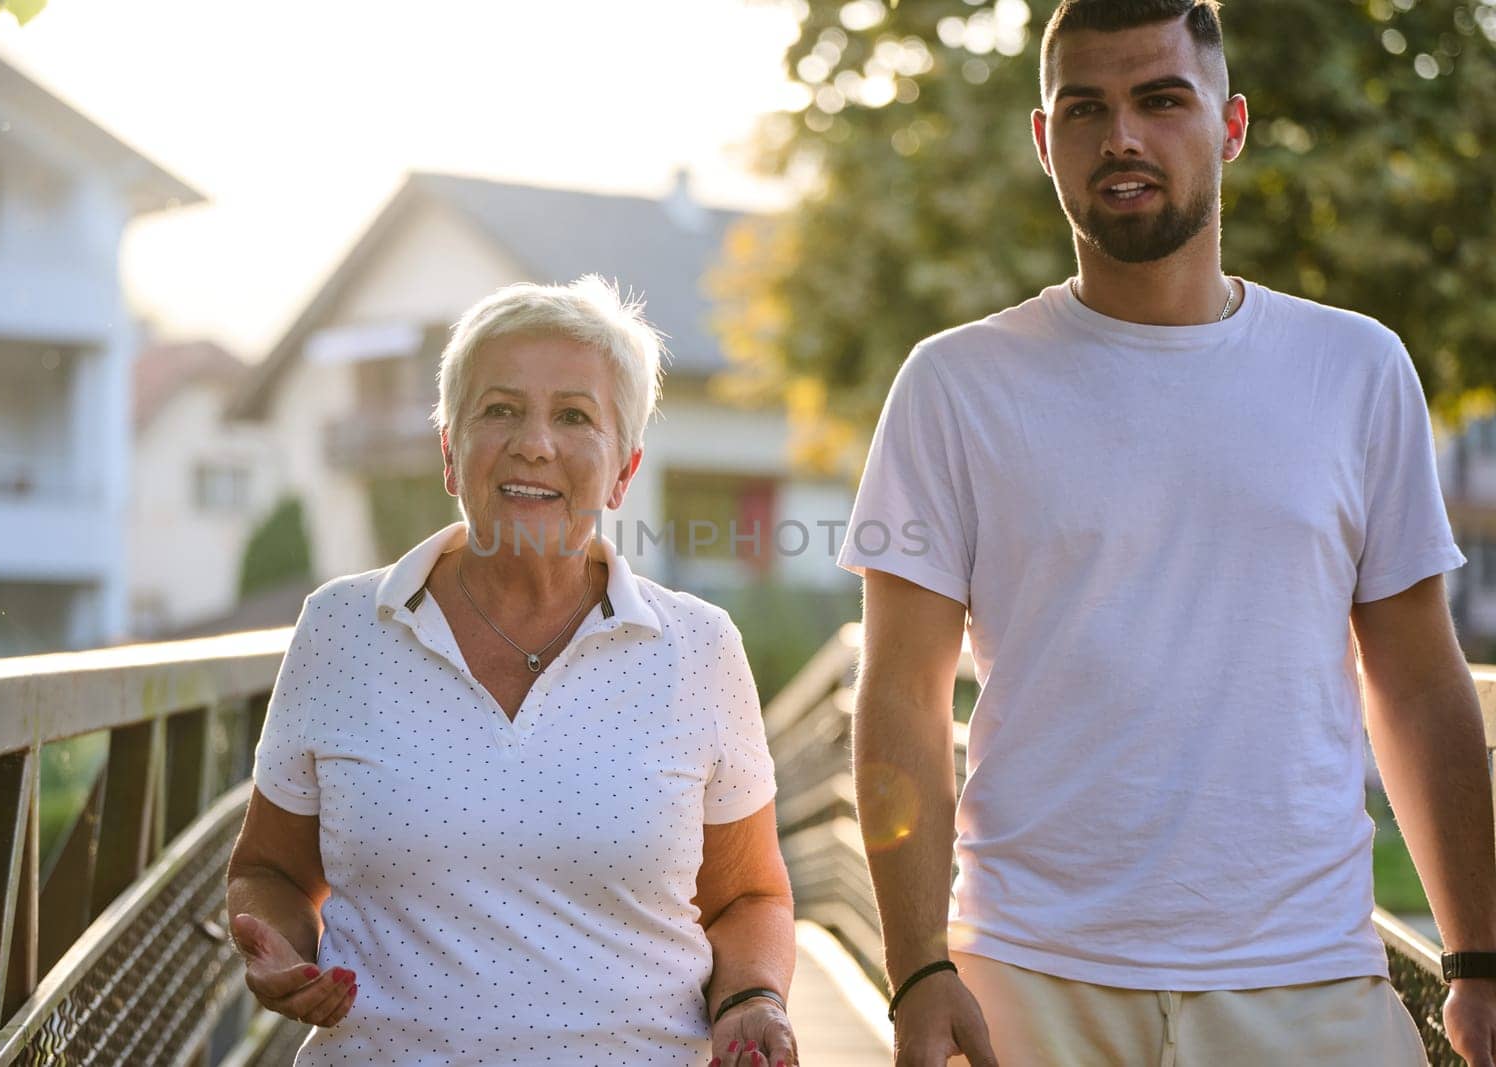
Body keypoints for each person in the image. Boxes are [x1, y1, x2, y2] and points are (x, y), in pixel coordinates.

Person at [839, 2, 1496, 1064]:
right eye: (1085, 109)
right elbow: (902, 692)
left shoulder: (1356, 369)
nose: (1122, 138)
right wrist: (916, 966)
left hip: (1307, 978)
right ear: (1045, 141)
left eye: (1160, 100)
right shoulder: (954, 383)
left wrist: (1475, 959)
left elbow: (1419, 678)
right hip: (1027, 975)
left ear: (1229, 125)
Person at [226, 275, 799, 1067]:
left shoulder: (699, 647)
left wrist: (753, 996)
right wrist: (283, 952)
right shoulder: (341, 627)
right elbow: (269, 870)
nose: (535, 442)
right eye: (499, 409)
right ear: (451, 452)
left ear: (624, 470)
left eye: (573, 415)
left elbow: (749, 897)